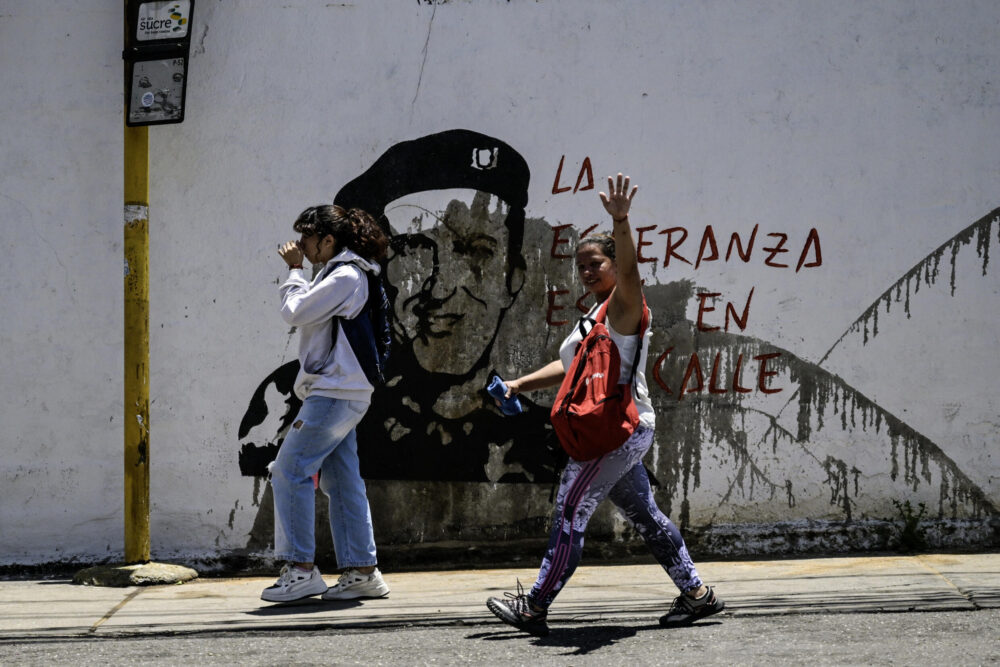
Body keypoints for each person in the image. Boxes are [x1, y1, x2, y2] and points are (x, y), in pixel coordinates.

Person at [485, 174, 725, 635]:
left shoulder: (624, 306)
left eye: (596, 264)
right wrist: (519, 383)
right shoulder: (593, 317)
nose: (587, 272)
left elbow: (633, 273)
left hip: (615, 432)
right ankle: (697, 596)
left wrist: (621, 223)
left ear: (616, 265)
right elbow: (570, 368)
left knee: (571, 509)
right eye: (582, 267)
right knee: (646, 515)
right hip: (614, 432)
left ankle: (534, 606)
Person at [260, 204, 391, 603]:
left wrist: (295, 271)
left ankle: (300, 570)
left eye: (306, 238)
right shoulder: (343, 274)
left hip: (334, 393)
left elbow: (294, 312)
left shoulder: (346, 275)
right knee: (341, 479)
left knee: (289, 470)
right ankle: (361, 572)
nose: (299, 245)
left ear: (327, 241)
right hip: (342, 392)